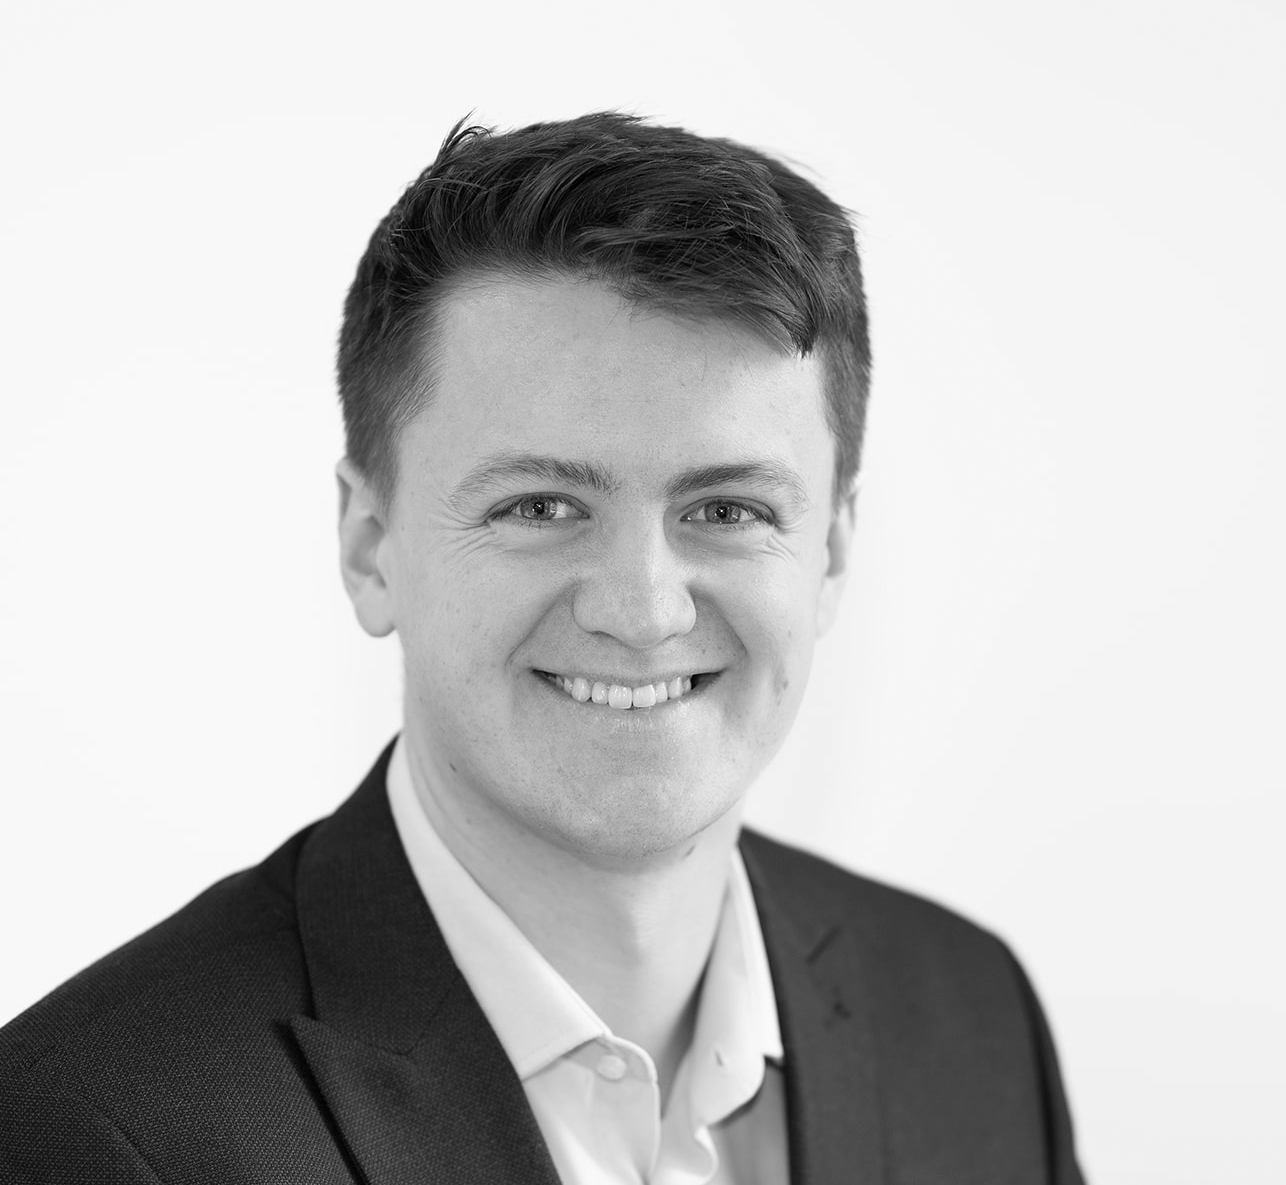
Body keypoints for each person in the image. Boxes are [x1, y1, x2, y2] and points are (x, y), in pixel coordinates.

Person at [0, 114, 1086, 1183]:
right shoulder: (98, 1132)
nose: (642, 609)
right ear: (370, 545)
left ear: (831, 552)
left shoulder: (969, 1019)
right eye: (539, 504)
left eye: (726, 509)